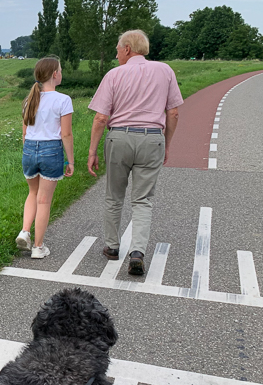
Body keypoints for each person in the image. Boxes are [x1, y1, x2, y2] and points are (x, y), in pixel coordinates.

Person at [87, 29, 184, 275]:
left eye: (118, 49)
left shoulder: (114, 74)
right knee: (143, 200)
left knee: (114, 196)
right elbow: (173, 112)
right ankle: (137, 252)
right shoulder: (165, 71)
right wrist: (167, 143)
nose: (117, 54)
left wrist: (92, 151)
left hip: (119, 137)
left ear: (128, 49)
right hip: (152, 138)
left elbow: (100, 118)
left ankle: (111, 246)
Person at [16, 56, 74, 259]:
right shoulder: (63, 100)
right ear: (55, 74)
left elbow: (24, 133)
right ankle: (38, 247)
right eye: (60, 69)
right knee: (44, 200)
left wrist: (29, 152)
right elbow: (66, 134)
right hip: (51, 150)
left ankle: (25, 231)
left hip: (29, 150)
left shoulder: (30, 99)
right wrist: (71, 160)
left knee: (32, 193)